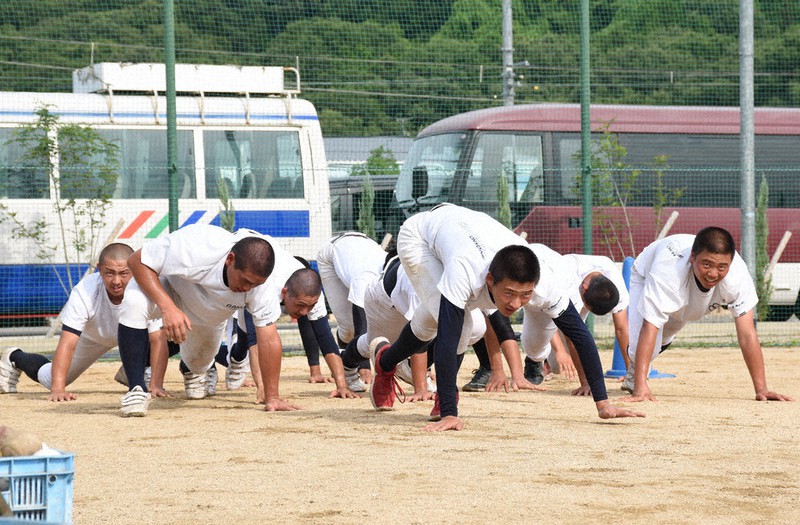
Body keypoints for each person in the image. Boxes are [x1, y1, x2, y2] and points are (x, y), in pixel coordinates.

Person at [369, 204, 644, 431]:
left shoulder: (549, 281)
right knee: (460, 325)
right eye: (509, 293)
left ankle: (385, 360)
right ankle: (444, 400)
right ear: (490, 280)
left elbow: (580, 335)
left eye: (525, 295)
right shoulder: (466, 269)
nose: (515, 304)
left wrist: (603, 403)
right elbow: (451, 335)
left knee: (431, 320)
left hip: (463, 229)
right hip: (420, 238)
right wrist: (450, 414)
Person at [116, 224, 289, 417]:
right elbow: (137, 261)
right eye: (245, 281)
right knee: (133, 302)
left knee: (198, 364)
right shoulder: (199, 245)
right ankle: (136, 390)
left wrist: (272, 396)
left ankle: (188, 368)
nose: (249, 288)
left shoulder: (261, 287)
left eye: (256, 284)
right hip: (170, 291)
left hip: (209, 320)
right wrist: (168, 308)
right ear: (230, 260)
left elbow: (269, 339)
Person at [621, 227, 794, 403]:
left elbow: (748, 334)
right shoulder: (668, 270)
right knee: (639, 347)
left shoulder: (737, 275)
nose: (712, 273)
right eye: (707, 264)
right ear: (692, 257)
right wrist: (640, 387)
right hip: (646, 274)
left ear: (730, 263)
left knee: (671, 327)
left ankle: (641, 370)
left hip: (686, 295)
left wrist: (762, 389)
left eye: (721, 267)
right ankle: (636, 376)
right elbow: (649, 326)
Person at [0, 243, 169, 403]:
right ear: (99, 269)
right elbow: (67, 342)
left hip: (135, 336)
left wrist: (156, 385)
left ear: (133, 269)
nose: (116, 281)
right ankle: (14, 356)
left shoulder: (145, 288)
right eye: (109, 273)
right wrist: (58, 389)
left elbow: (158, 339)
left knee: (175, 331)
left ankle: (133, 372)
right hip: (93, 337)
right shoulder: (85, 290)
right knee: (51, 379)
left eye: (124, 273)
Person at [230, 251, 361, 403]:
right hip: (247, 294)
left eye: (310, 306)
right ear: (285, 293)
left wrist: (342, 386)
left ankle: (237, 357)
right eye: (301, 305)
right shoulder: (264, 291)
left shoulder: (312, 297)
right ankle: (236, 359)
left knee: (309, 319)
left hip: (287, 285)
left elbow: (325, 338)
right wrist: (263, 388)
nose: (305, 311)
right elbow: (256, 343)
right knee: (245, 339)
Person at [316, 232, 387, 389]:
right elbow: (362, 328)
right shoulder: (365, 280)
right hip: (332, 252)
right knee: (350, 328)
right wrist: (365, 368)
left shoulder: (396, 276)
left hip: (361, 248)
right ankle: (350, 371)